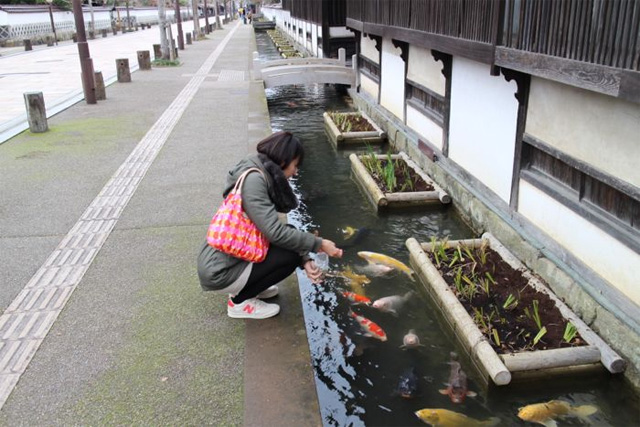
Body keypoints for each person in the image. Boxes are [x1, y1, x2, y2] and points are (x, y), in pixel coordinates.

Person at [198, 131, 343, 319]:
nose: (295, 172)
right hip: (219, 270)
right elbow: (276, 233)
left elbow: (273, 230)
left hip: (230, 258)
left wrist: (305, 258)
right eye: (295, 166)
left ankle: (252, 286)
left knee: (293, 247)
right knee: (289, 256)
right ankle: (240, 302)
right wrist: (319, 243)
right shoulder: (255, 181)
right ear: (284, 160)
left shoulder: (258, 169)